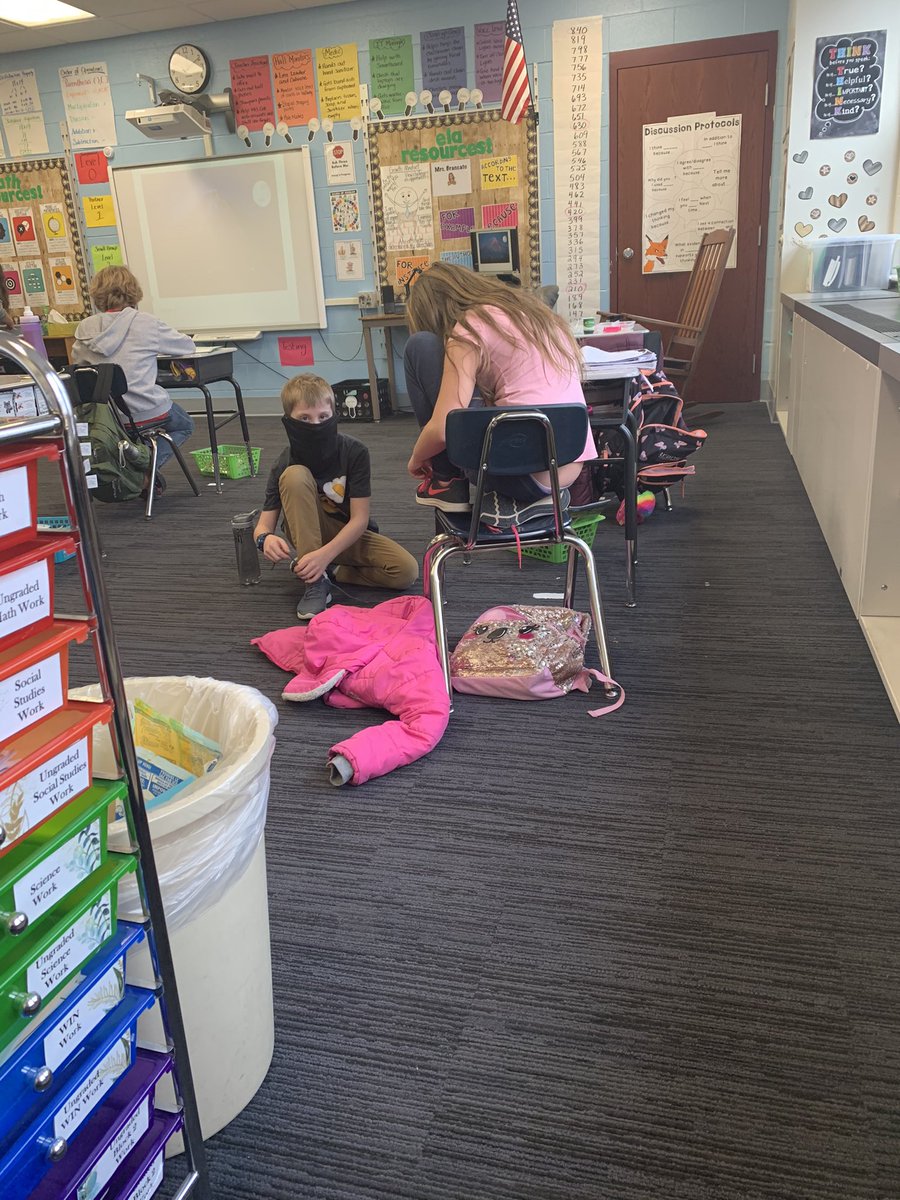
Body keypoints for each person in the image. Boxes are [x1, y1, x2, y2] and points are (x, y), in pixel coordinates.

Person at [403, 262, 596, 522]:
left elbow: (441, 429)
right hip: (569, 465)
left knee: (420, 346)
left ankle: (446, 480)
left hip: (521, 471)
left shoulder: (468, 328)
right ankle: (539, 499)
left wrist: (416, 458)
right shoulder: (534, 314)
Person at [253, 373, 419, 620]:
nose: (315, 425)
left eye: (323, 417)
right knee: (295, 475)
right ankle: (315, 582)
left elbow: (360, 519)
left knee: (405, 571)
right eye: (304, 418)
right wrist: (264, 540)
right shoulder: (283, 462)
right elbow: (263, 526)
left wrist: (326, 555)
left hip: (347, 533)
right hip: (305, 529)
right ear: (289, 421)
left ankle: (329, 569)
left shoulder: (355, 452)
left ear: (333, 415)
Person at [72, 265, 196, 495]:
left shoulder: (84, 328)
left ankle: (133, 455)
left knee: (141, 425)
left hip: (108, 418)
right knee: (185, 425)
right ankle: (144, 472)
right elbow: (187, 346)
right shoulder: (146, 323)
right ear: (133, 291)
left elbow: (79, 367)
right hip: (145, 410)